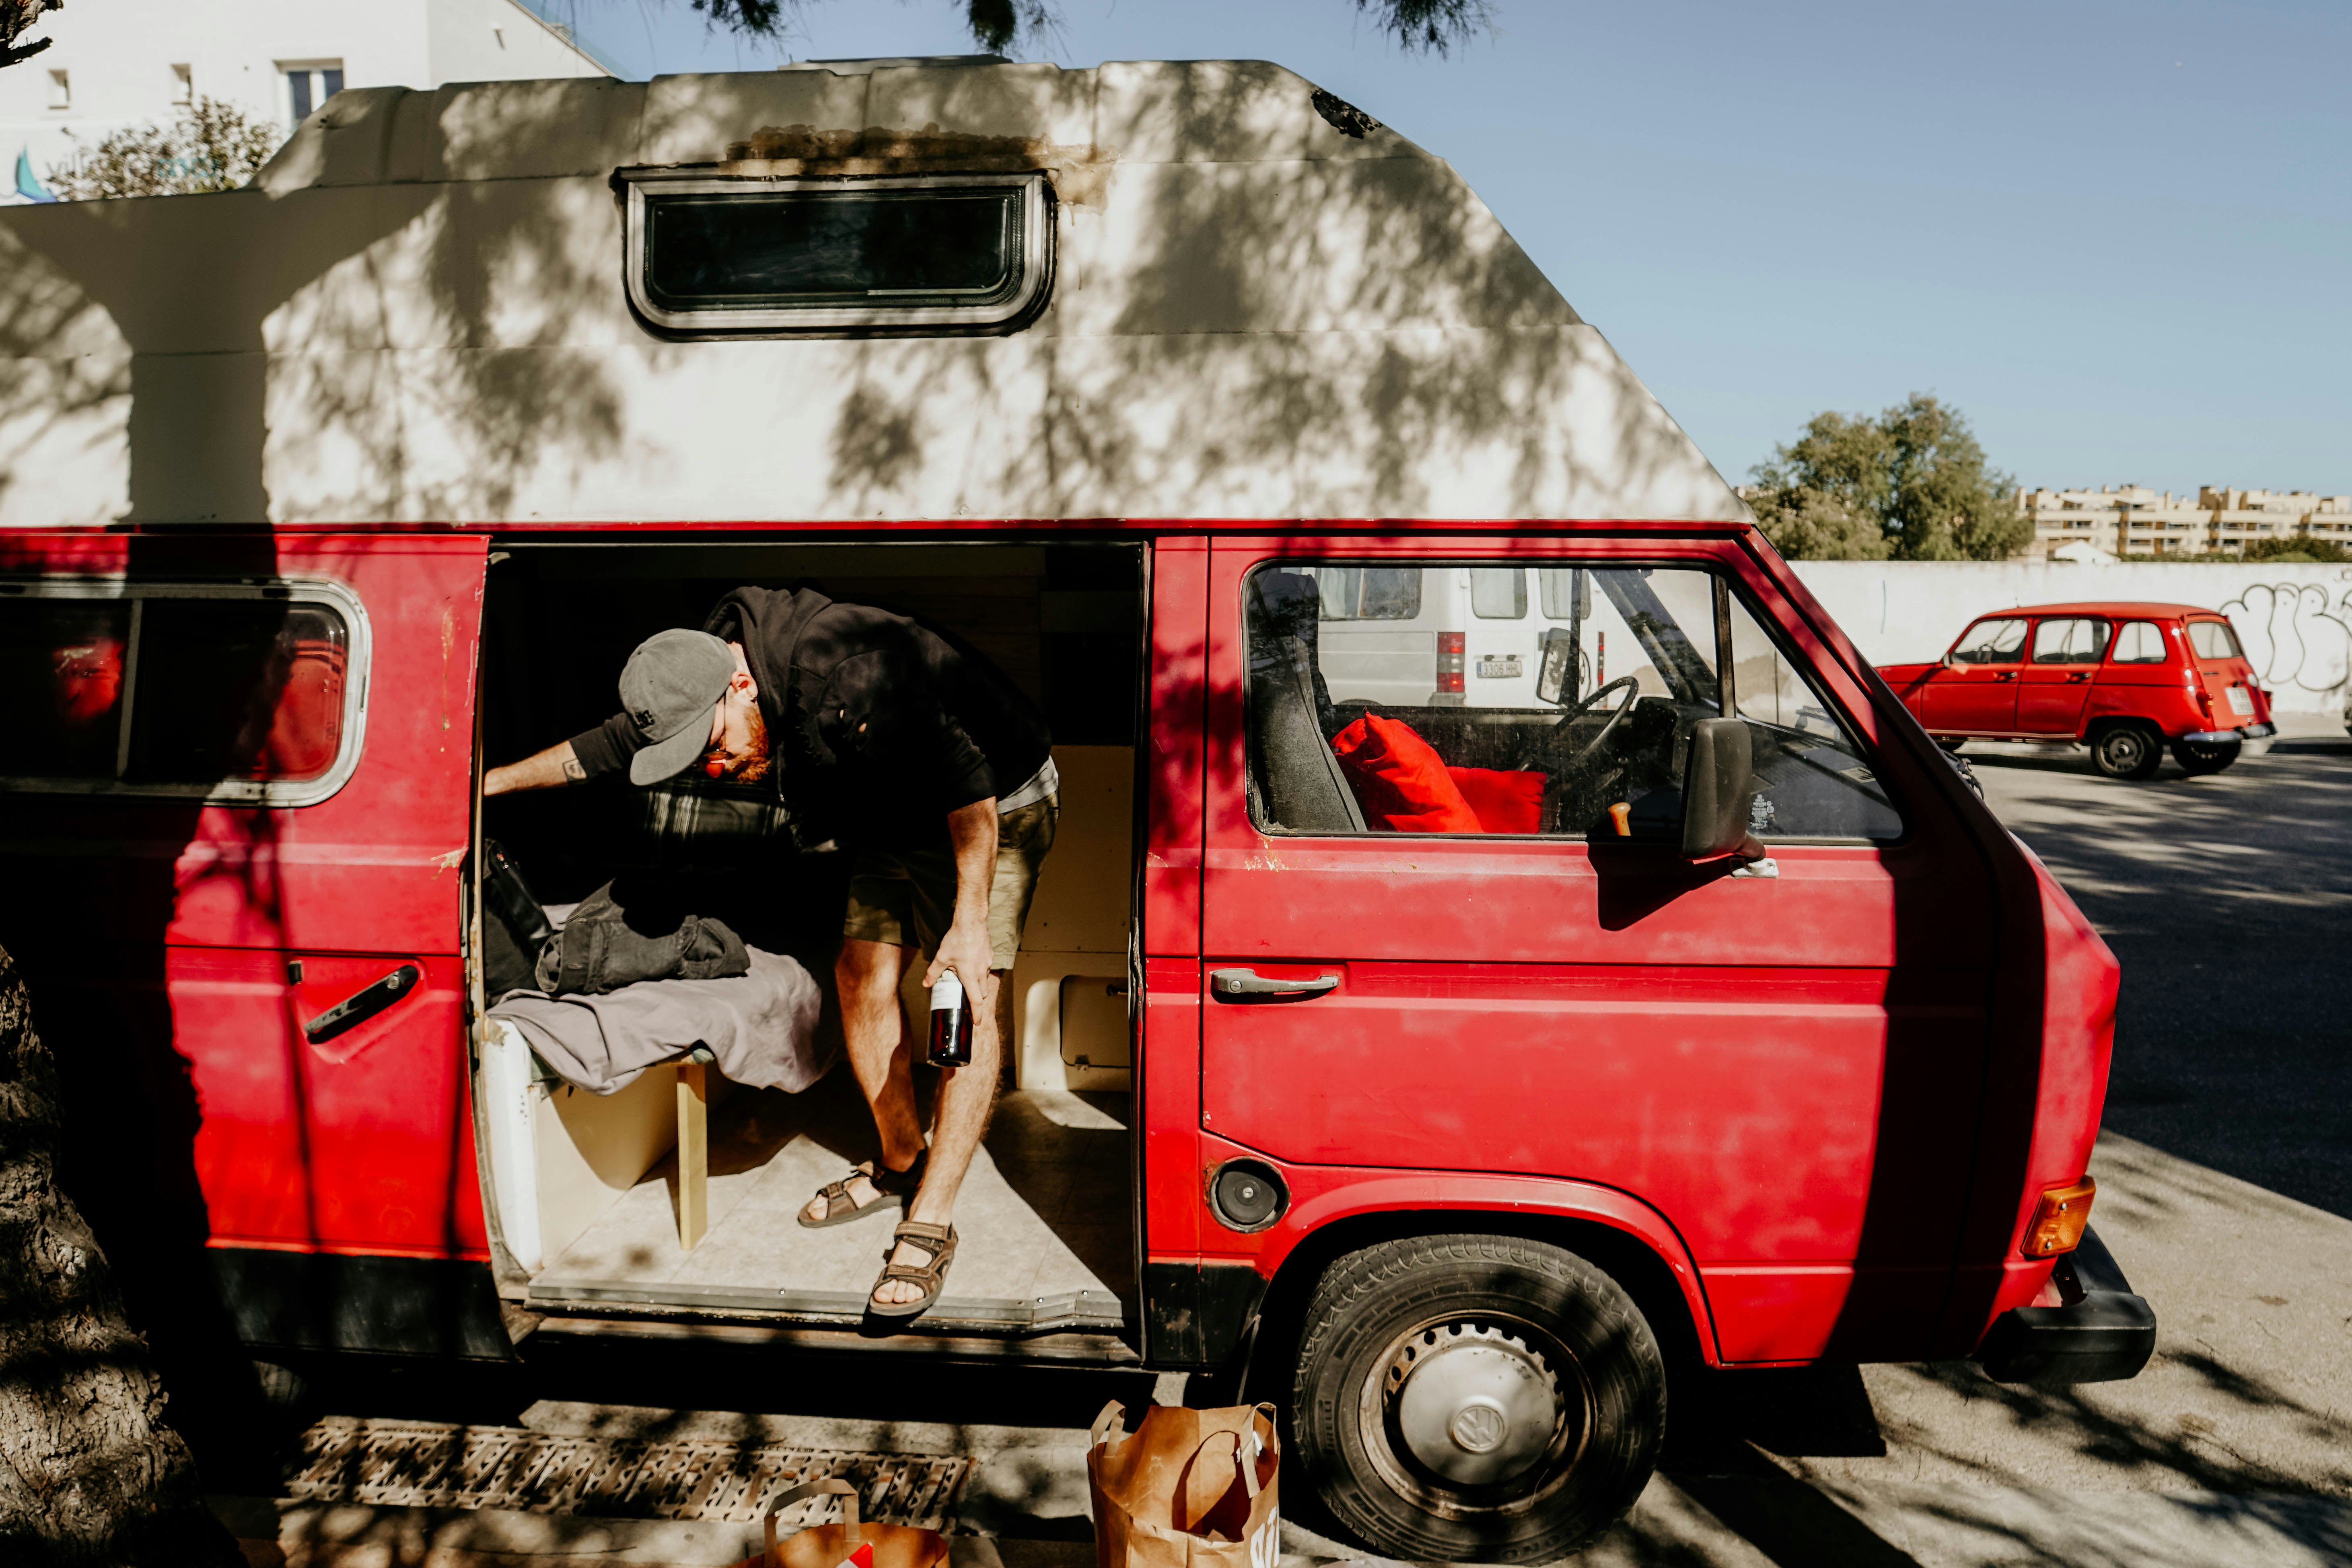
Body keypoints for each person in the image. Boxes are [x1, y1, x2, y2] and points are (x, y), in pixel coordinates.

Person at [485, 586, 1057, 1319]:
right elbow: (599, 749)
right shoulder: (690, 675)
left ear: (743, 683)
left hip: (994, 801)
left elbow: (968, 786)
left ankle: (933, 1215)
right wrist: (477, 790)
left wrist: (969, 928)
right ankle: (902, 1159)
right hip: (896, 804)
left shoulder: (850, 678)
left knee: (966, 992)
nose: (713, 767)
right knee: (859, 972)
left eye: (713, 745)